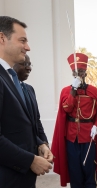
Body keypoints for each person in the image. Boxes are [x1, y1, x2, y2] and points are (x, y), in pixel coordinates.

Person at [0, 16, 53, 188]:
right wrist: (29, 160)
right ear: (2, 38)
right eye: (22, 40)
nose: (27, 47)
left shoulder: (10, 77)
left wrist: (40, 145)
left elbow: (22, 125)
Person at [51, 53, 97, 187]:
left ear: (85, 73)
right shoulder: (66, 91)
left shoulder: (93, 91)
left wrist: (96, 126)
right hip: (71, 138)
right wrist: (73, 89)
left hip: (89, 137)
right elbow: (67, 108)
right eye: (75, 72)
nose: (78, 74)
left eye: (80, 71)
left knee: (89, 171)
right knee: (75, 172)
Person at [13, 54, 49, 143]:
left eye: (29, 64)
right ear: (12, 65)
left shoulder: (30, 89)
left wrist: (44, 142)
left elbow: (37, 120)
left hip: (35, 146)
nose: (29, 68)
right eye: (25, 64)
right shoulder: (8, 89)